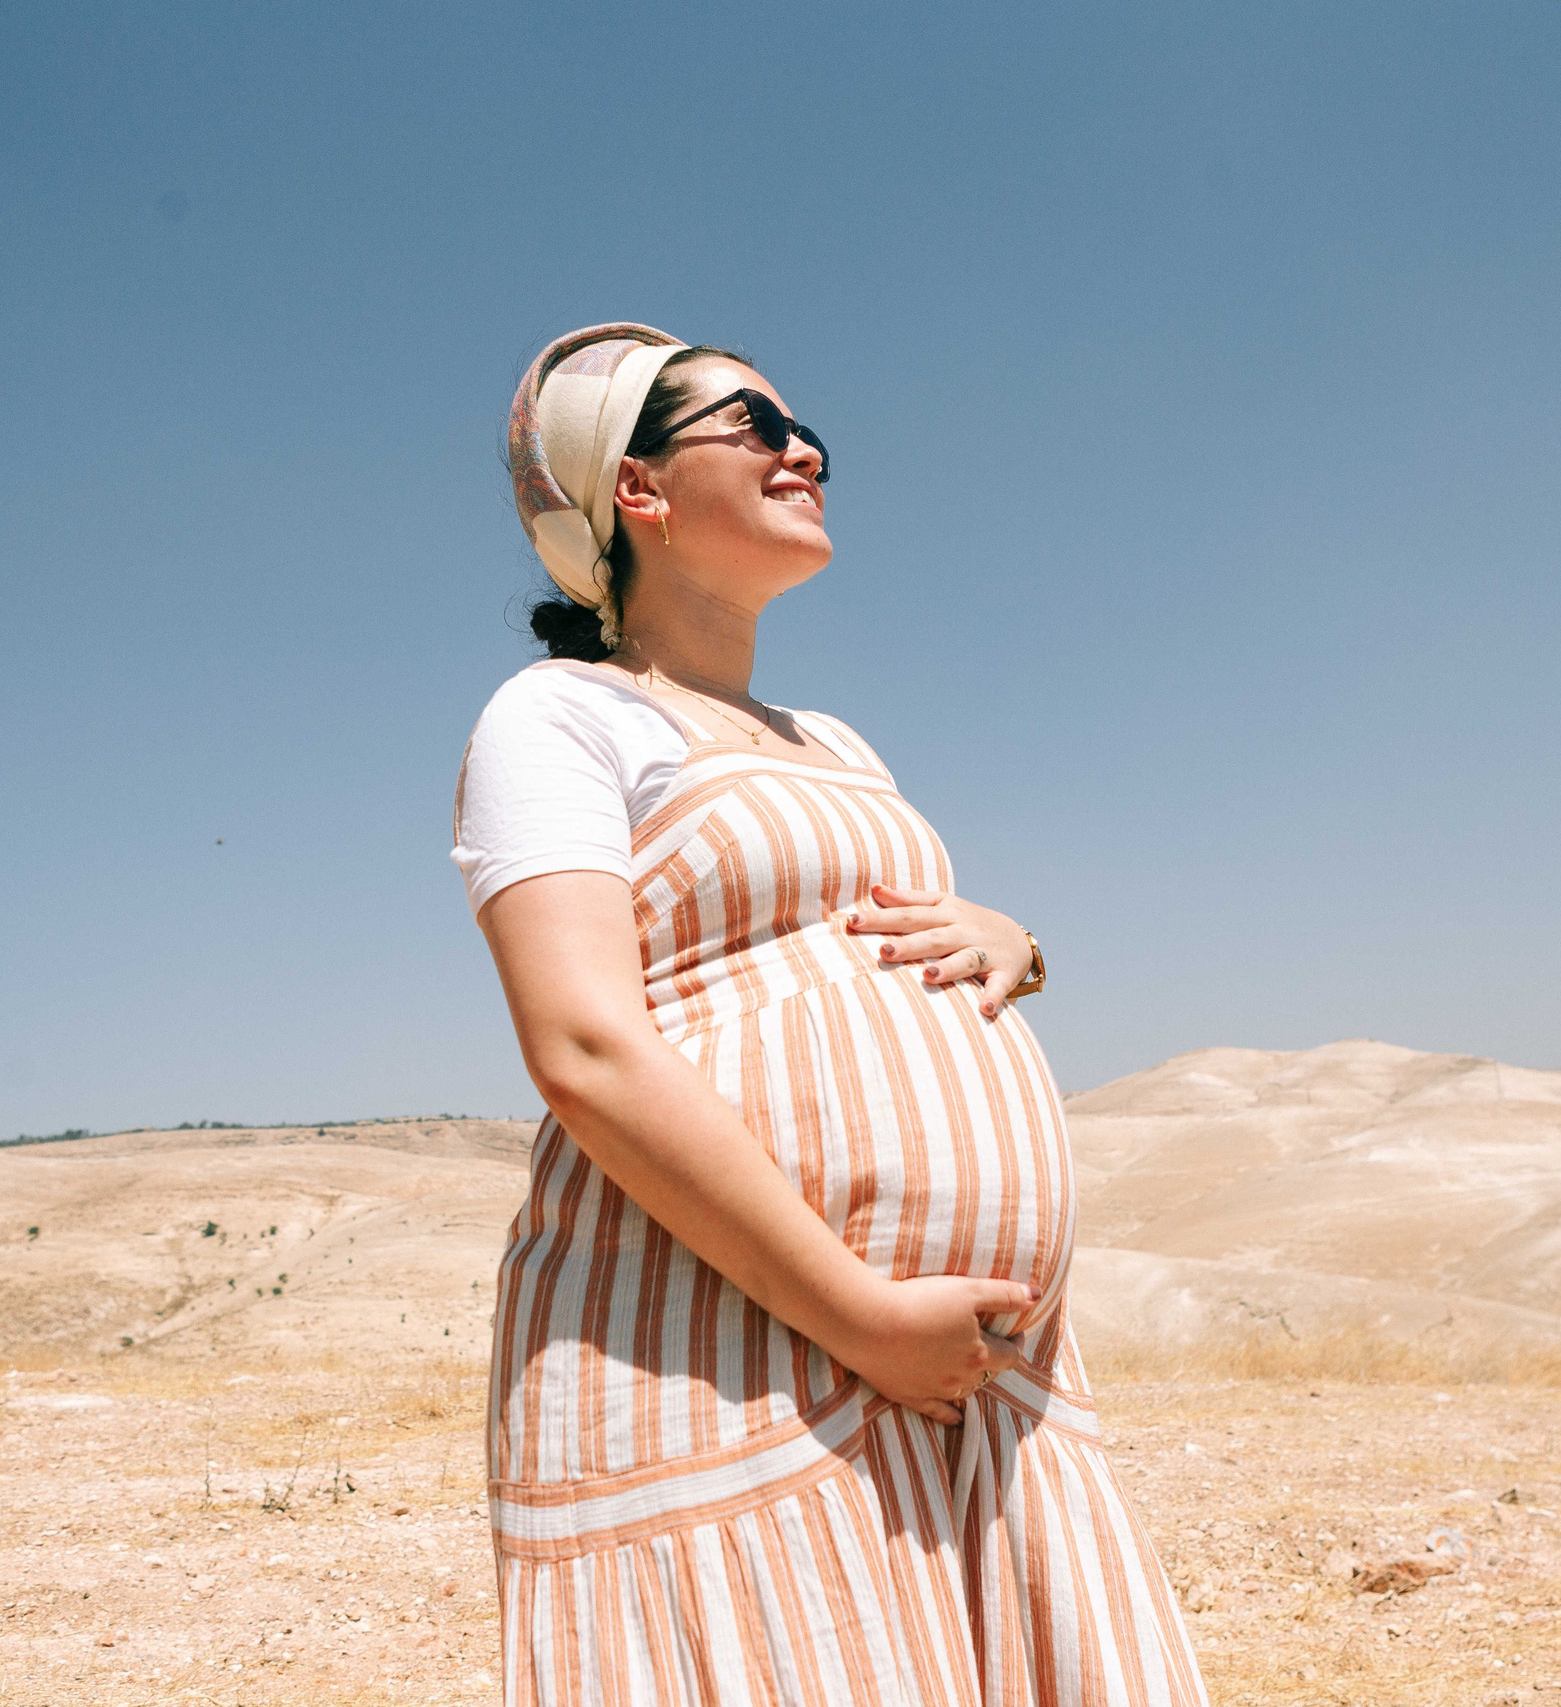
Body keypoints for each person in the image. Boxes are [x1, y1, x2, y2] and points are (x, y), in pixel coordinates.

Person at [451, 322, 1207, 1705]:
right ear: (639, 491)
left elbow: (884, 947)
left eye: (813, 438)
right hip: (720, 1344)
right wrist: (859, 1310)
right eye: (756, 425)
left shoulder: (839, 743)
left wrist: (1012, 939)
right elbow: (583, 1047)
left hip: (963, 1380)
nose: (806, 452)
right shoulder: (559, 717)